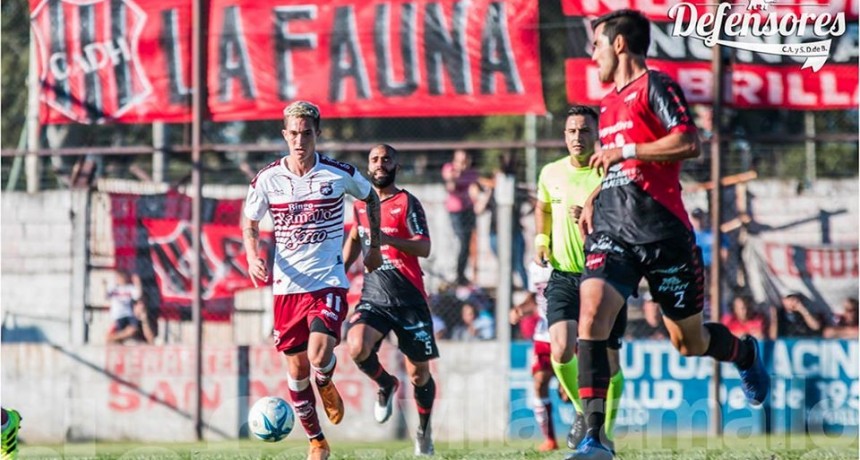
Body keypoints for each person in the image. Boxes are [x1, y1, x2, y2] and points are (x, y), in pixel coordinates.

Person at [571, 10, 769, 459]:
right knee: (591, 316)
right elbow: (625, 166)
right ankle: (593, 439)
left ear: (620, 44)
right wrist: (597, 193)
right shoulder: (608, 104)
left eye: (597, 44)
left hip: (663, 233)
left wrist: (625, 149)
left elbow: (688, 141)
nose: (593, 53)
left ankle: (743, 353)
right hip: (613, 232)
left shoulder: (655, 86)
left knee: (688, 342)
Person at [242, 101, 383, 460]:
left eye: (307, 133)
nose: (300, 140)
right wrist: (252, 255)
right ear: (284, 135)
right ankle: (317, 440)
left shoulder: (338, 173)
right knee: (296, 368)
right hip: (287, 289)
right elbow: (250, 222)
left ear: (317, 134)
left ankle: (326, 379)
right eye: (294, 133)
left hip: (327, 282)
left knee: (319, 354)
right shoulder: (268, 179)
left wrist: (373, 244)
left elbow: (371, 198)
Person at [535, 105, 626, 452]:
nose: (577, 137)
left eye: (584, 131)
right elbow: (543, 209)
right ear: (564, 136)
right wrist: (541, 240)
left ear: (597, 133)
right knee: (560, 349)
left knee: (608, 359)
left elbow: (626, 220)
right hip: (563, 274)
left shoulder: (611, 172)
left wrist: (593, 214)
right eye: (572, 131)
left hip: (604, 276)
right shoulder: (550, 173)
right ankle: (581, 411)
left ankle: (603, 434)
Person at [343, 144, 439, 456]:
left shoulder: (407, 201)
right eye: (374, 159)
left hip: (409, 298)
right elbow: (356, 237)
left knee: (419, 374)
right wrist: (339, 272)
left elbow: (423, 247)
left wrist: (388, 240)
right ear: (368, 166)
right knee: (356, 345)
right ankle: (385, 384)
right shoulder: (360, 203)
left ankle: (423, 431)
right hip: (375, 297)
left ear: (396, 164)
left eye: (386, 159)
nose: (380, 164)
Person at [510, 262, 559, 451]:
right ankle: (550, 439)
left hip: (572, 333)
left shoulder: (569, 259)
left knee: (571, 391)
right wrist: (520, 309)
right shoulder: (535, 267)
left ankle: (590, 434)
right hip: (543, 336)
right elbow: (535, 296)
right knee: (539, 383)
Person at [441, 149, 480, 285]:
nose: (462, 163)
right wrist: (457, 173)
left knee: (467, 243)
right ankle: (458, 274)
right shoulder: (449, 169)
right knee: (461, 241)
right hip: (455, 211)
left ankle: (462, 274)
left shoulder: (472, 173)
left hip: (468, 210)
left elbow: (474, 189)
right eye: (459, 160)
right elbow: (450, 186)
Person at [105, 270, 144, 344]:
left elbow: (138, 295)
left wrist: (138, 283)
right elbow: (106, 296)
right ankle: (113, 338)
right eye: (118, 278)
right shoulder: (113, 288)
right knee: (118, 335)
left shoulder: (130, 288)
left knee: (133, 329)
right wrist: (104, 286)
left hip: (128, 313)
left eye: (122, 277)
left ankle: (113, 337)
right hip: (118, 315)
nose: (120, 279)